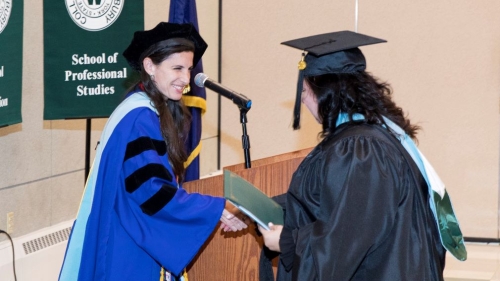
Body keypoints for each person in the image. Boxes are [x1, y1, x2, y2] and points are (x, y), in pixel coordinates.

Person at [258, 31, 467, 280]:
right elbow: (334, 199)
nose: (302, 101)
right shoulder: (372, 136)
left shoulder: (362, 150)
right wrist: (260, 208)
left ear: (327, 91)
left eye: (304, 91)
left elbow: (345, 239)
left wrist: (288, 242)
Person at [59, 22, 247, 281]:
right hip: (129, 247)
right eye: (177, 68)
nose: (186, 78)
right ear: (150, 67)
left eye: (189, 69)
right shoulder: (140, 119)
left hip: (129, 234)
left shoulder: (142, 110)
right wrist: (214, 208)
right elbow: (152, 192)